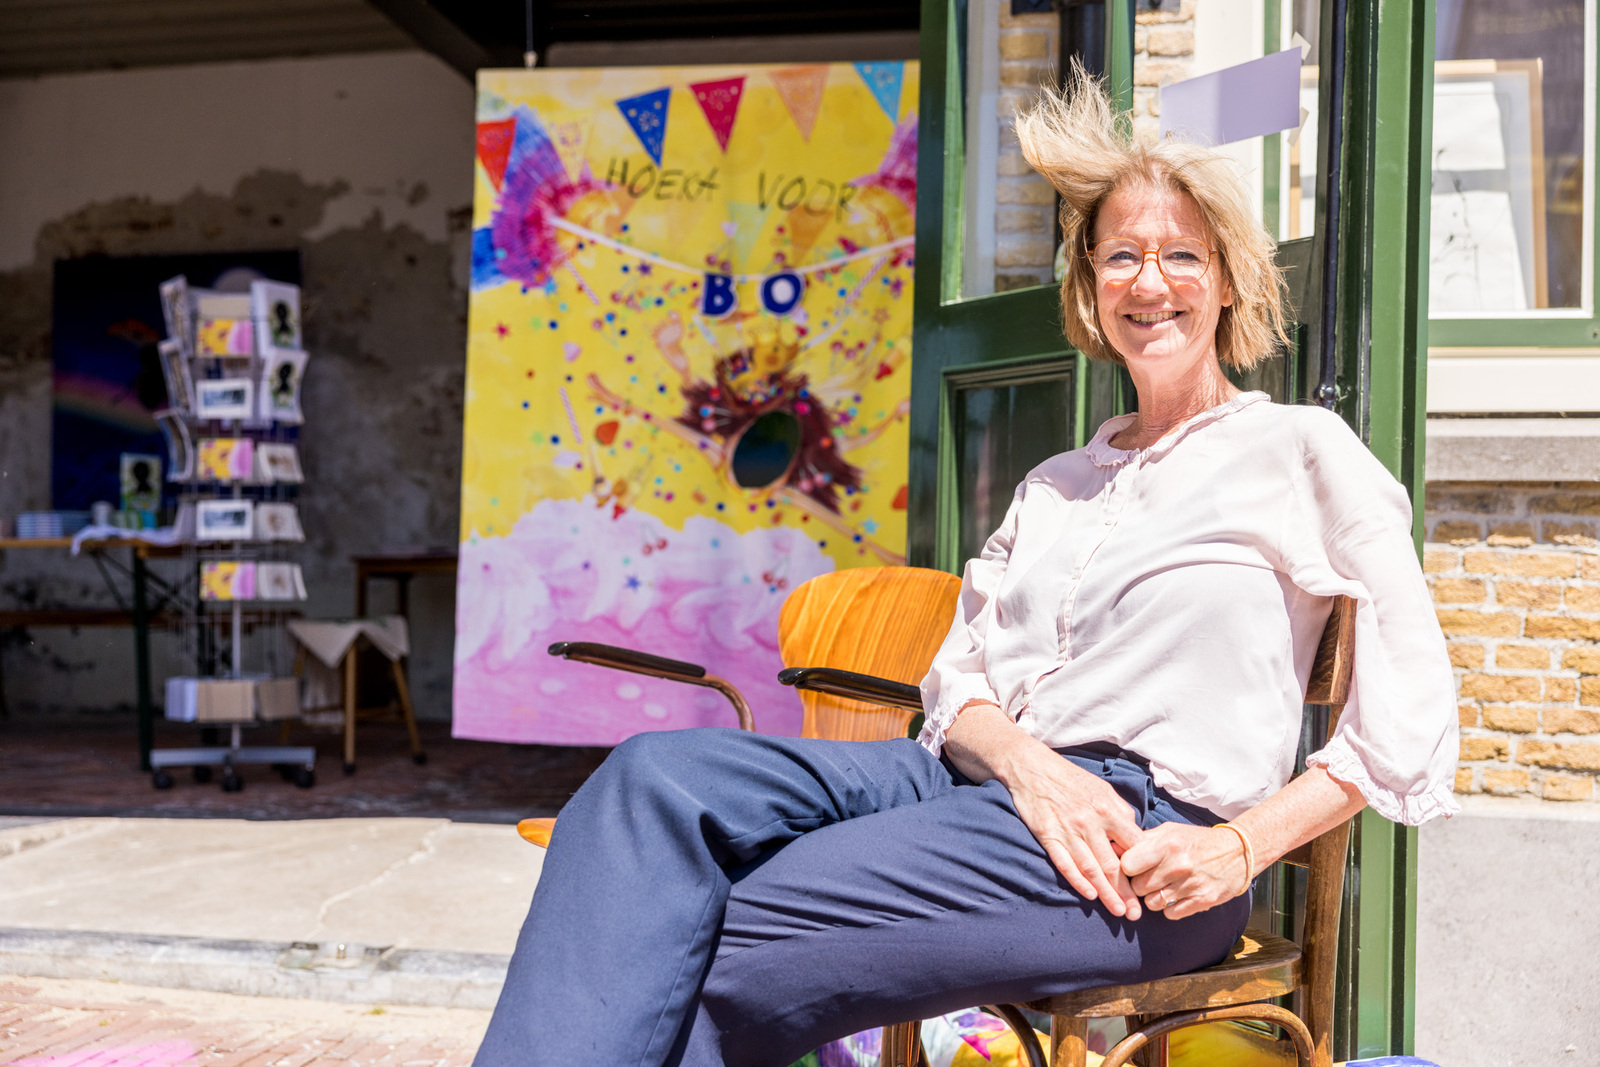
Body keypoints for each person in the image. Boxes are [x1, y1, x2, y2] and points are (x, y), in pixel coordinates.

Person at [472, 71, 1459, 1067]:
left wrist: (1239, 847)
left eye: (1181, 256)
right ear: (1090, 284)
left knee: (716, 925)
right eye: (1121, 255)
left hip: (1140, 845)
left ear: (1228, 279)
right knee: (651, 780)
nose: (1148, 281)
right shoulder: (1058, 484)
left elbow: (1410, 712)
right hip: (977, 782)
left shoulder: (1298, 450)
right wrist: (1031, 768)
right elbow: (958, 681)